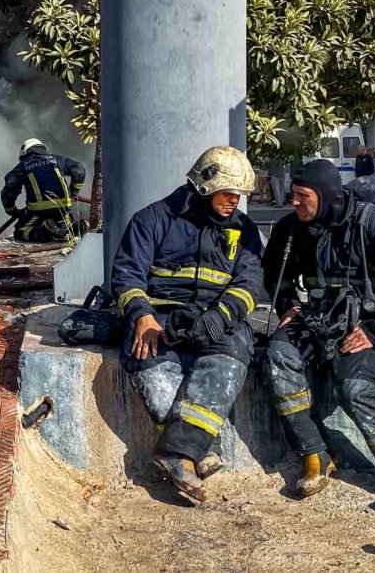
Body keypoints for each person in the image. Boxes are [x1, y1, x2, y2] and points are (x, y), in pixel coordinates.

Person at [262, 159, 375, 515]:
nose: (293, 202)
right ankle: (315, 455)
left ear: (324, 196)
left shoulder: (373, 228)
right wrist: (287, 305)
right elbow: (272, 273)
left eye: (301, 196)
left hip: (365, 328)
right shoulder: (291, 230)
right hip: (317, 322)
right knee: (278, 357)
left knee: (354, 389)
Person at [112, 146, 265, 502]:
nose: (234, 203)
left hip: (217, 317)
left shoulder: (244, 231)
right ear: (204, 186)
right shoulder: (152, 219)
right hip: (160, 316)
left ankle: (178, 453)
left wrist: (221, 316)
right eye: (229, 194)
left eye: (239, 196)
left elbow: (250, 284)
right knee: (147, 359)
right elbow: (126, 275)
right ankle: (195, 451)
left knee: (231, 356)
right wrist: (142, 316)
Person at [1, 138, 86, 242]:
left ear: (24, 152)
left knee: (21, 232)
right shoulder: (58, 160)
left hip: (38, 211)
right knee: (65, 225)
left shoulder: (22, 166)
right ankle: (75, 228)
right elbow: (79, 170)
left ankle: (45, 231)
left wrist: (12, 210)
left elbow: (10, 187)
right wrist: (74, 192)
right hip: (64, 207)